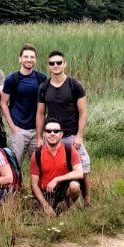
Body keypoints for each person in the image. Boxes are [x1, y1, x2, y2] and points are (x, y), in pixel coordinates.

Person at [36, 50, 91, 201]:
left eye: (58, 62)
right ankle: (55, 199)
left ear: (64, 64)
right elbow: (40, 113)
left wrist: (79, 136)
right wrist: (39, 137)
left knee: (83, 168)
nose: (55, 65)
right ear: (48, 66)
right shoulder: (44, 87)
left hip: (71, 134)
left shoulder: (75, 85)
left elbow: (83, 112)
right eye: (52, 63)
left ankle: (87, 201)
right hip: (52, 135)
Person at [1, 43, 47, 166]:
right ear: (20, 59)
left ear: (35, 60)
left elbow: (46, 104)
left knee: (38, 164)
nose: (29, 59)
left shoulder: (41, 78)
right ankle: (15, 186)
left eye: (32, 57)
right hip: (19, 129)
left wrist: (41, 133)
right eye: (26, 57)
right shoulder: (12, 79)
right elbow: (3, 103)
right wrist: (12, 127)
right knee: (15, 164)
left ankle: (37, 186)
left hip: (37, 130)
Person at [30, 120, 85, 216]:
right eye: (48, 131)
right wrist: (45, 205)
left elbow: (80, 173)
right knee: (42, 214)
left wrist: (56, 179)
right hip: (46, 193)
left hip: (64, 191)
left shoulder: (69, 150)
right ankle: (48, 207)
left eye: (56, 131)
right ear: (44, 134)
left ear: (61, 134)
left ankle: (67, 209)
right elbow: (34, 185)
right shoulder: (37, 154)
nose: (52, 133)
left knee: (74, 186)